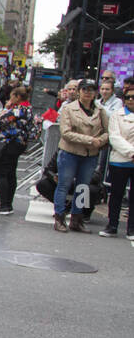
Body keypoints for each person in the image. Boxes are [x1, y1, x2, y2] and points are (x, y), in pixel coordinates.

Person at [53, 79, 109, 233]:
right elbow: (66, 132)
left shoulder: (100, 110)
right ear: (79, 91)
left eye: (91, 90)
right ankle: (59, 218)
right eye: (85, 89)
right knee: (64, 185)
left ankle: (77, 219)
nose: (88, 93)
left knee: (83, 187)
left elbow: (107, 131)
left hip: (90, 155)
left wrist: (100, 141)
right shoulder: (69, 109)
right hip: (70, 152)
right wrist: (90, 140)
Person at [0, 85, 37, 215]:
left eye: (11, 97)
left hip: (8, 144)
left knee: (1, 173)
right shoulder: (28, 109)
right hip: (18, 144)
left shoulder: (17, 110)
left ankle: (4, 204)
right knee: (10, 173)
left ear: (17, 97)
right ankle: (7, 204)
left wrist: (6, 107)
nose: (9, 99)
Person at [99, 83, 134, 238]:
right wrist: (131, 152)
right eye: (128, 97)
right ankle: (112, 225)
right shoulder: (117, 115)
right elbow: (114, 136)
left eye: (133, 97)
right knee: (116, 194)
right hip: (119, 161)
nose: (131, 100)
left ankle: (131, 228)